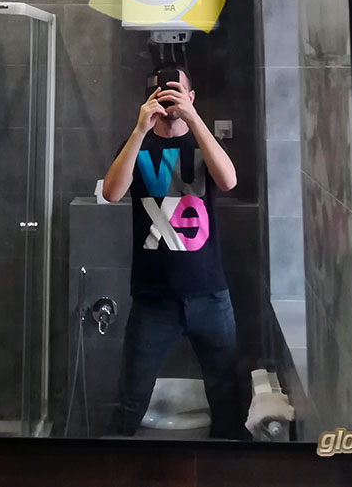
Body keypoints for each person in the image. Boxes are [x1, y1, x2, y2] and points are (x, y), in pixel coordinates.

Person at [102, 68, 242, 438]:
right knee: (129, 403)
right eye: (161, 91)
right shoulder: (138, 145)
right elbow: (112, 193)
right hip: (153, 300)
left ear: (191, 97)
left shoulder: (203, 142)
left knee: (227, 403)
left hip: (210, 296)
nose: (169, 98)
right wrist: (139, 131)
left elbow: (228, 180)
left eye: (177, 91)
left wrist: (194, 120)